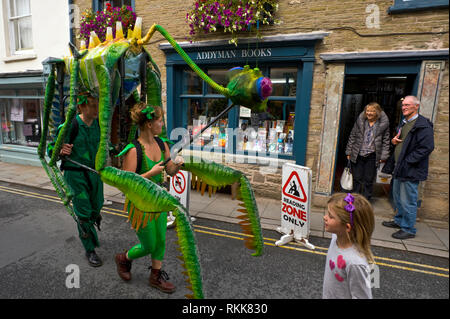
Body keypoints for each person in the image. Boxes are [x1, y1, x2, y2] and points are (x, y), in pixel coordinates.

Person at [114, 102, 184, 293]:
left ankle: (155, 276)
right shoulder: (134, 149)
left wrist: (177, 166)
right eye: (160, 121)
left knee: (161, 240)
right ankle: (124, 258)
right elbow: (125, 182)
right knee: (149, 244)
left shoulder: (162, 144)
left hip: (159, 200)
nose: (163, 124)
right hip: (140, 204)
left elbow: (169, 170)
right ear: (149, 125)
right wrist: (150, 172)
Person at [47, 92, 104, 267]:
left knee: (97, 205)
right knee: (84, 213)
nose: (96, 109)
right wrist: (59, 151)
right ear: (80, 107)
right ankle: (90, 249)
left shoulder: (99, 125)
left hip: (95, 174)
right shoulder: (69, 126)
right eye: (92, 105)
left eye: (97, 105)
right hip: (75, 175)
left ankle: (94, 216)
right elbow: (51, 150)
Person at [381, 96, 434, 239]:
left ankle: (408, 229)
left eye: (407, 105)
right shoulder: (404, 122)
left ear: (416, 106)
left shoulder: (423, 125)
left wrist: (408, 161)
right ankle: (399, 221)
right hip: (400, 167)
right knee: (398, 197)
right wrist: (393, 141)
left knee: (408, 199)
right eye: (403, 105)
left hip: (411, 169)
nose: (404, 107)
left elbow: (427, 148)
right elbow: (401, 141)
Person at [323, 193, 375, 299]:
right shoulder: (336, 237)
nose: (325, 217)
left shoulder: (355, 263)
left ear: (347, 227)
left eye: (331, 216)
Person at [345, 102, 390, 200]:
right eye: (367, 111)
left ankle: (365, 200)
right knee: (356, 178)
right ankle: (354, 199)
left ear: (377, 112)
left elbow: (386, 141)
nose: (369, 113)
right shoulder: (361, 121)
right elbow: (352, 136)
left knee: (368, 180)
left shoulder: (382, 124)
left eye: (372, 111)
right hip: (358, 154)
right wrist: (348, 151)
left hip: (372, 156)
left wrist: (383, 156)